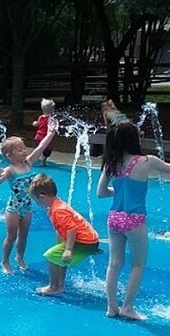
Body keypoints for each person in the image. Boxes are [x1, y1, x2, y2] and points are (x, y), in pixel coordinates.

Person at [97, 122, 170, 320]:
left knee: (114, 264)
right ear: (133, 139)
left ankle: (112, 307)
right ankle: (128, 307)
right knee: (138, 264)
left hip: (114, 218)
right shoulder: (147, 161)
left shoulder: (111, 164)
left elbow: (101, 193)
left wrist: (119, 190)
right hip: (135, 219)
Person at [0, 117, 57, 274]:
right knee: (11, 236)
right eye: (20, 149)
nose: (25, 151)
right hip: (13, 208)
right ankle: (5, 261)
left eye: (24, 148)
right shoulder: (10, 170)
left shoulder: (28, 163)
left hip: (27, 208)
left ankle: (19, 257)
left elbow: (41, 147)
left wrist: (51, 132)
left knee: (24, 236)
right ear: (9, 156)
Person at [28, 174, 100, 296]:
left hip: (84, 242)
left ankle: (54, 287)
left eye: (36, 201)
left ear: (42, 197)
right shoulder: (57, 204)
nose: (36, 203)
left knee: (50, 256)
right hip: (89, 240)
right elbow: (63, 230)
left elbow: (72, 229)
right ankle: (60, 285)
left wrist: (68, 250)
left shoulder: (58, 210)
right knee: (59, 257)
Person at [32, 98, 56, 166]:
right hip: (45, 137)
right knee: (47, 151)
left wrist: (35, 123)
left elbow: (37, 124)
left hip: (38, 137)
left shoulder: (40, 117)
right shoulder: (51, 119)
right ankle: (43, 162)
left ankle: (32, 160)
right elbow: (51, 128)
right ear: (52, 110)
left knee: (38, 149)